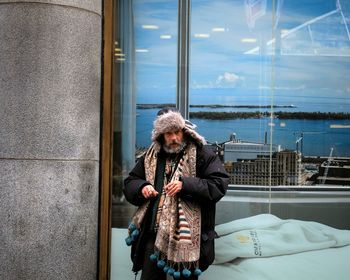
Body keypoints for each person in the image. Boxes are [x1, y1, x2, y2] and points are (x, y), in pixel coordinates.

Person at [123, 108, 229, 280]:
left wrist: (185, 185)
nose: (174, 138)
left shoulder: (202, 153)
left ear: (184, 130)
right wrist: (142, 187)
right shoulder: (150, 156)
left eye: (177, 132)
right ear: (160, 135)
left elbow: (219, 184)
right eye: (168, 133)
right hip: (154, 234)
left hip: (187, 240)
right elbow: (130, 183)